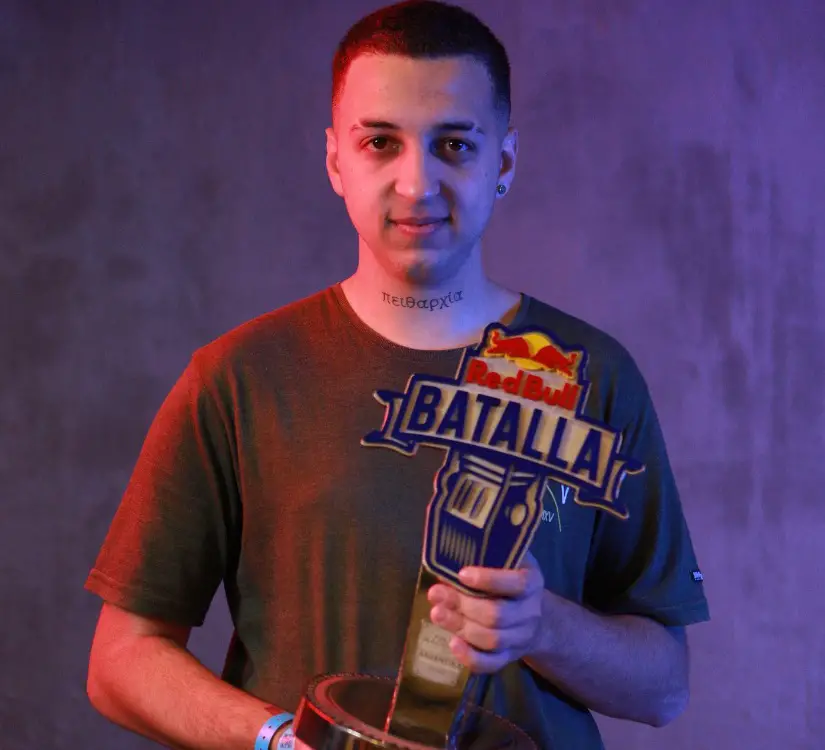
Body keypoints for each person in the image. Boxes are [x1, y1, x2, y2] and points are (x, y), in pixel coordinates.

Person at [84, 2, 710, 749]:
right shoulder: (238, 379)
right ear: (335, 161)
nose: (416, 184)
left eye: (454, 145)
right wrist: (281, 740)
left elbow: (664, 687)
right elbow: (120, 659)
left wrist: (543, 626)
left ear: (504, 163)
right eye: (380, 142)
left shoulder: (591, 377)